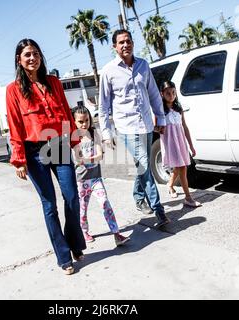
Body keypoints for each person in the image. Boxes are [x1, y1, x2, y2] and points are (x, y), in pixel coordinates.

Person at [6, 38, 86, 275]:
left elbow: (66, 114)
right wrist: (18, 159)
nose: (33, 58)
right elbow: (15, 124)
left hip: (59, 143)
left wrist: (74, 142)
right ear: (19, 60)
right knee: (49, 204)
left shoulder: (53, 82)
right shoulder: (13, 90)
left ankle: (75, 244)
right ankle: (64, 256)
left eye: (36, 53)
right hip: (33, 152)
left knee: (72, 197)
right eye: (27, 55)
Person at [98, 29, 170, 228]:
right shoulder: (108, 71)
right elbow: (103, 106)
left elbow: (154, 93)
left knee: (142, 166)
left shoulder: (143, 65)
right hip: (126, 127)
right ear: (114, 46)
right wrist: (106, 133)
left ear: (132, 43)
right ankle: (159, 210)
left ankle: (138, 196)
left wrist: (161, 119)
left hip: (146, 124)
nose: (125, 45)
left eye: (128, 41)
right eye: (121, 42)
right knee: (145, 164)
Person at [71, 106, 130, 246]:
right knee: (82, 209)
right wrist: (89, 159)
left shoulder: (94, 134)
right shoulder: (74, 138)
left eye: (86, 120)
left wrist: (86, 160)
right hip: (81, 180)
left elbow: (99, 156)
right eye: (80, 121)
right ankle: (84, 231)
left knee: (105, 203)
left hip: (96, 178)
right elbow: (77, 158)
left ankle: (116, 234)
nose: (84, 124)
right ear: (74, 122)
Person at [160, 81, 202, 207]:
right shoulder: (161, 111)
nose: (171, 95)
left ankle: (170, 185)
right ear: (162, 94)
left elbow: (185, 127)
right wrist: (158, 128)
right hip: (170, 143)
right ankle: (188, 198)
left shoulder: (179, 109)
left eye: (173, 92)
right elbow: (155, 127)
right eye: (168, 93)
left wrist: (191, 145)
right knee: (181, 168)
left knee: (179, 168)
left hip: (181, 142)